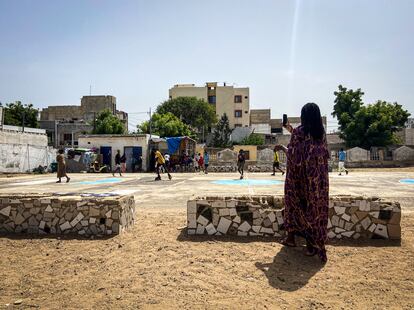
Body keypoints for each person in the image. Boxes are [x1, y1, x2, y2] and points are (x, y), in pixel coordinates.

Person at [279, 102, 329, 263]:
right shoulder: (321, 134)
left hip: (299, 178)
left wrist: (282, 148)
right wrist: (289, 128)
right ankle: (312, 245)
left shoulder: (299, 132)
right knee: (314, 208)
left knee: (294, 204)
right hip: (317, 181)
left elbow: (294, 154)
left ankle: (291, 238)